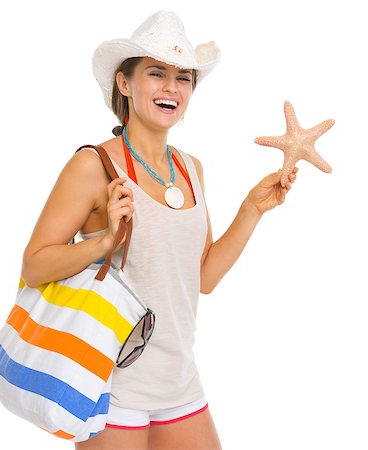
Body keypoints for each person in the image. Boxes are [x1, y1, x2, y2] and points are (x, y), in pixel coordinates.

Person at [21, 10, 298, 450]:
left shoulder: (191, 169)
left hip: (179, 382)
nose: (172, 87)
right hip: (111, 385)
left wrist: (252, 209)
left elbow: (203, 278)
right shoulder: (93, 166)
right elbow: (34, 266)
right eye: (156, 73)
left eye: (183, 77)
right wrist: (108, 241)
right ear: (124, 83)